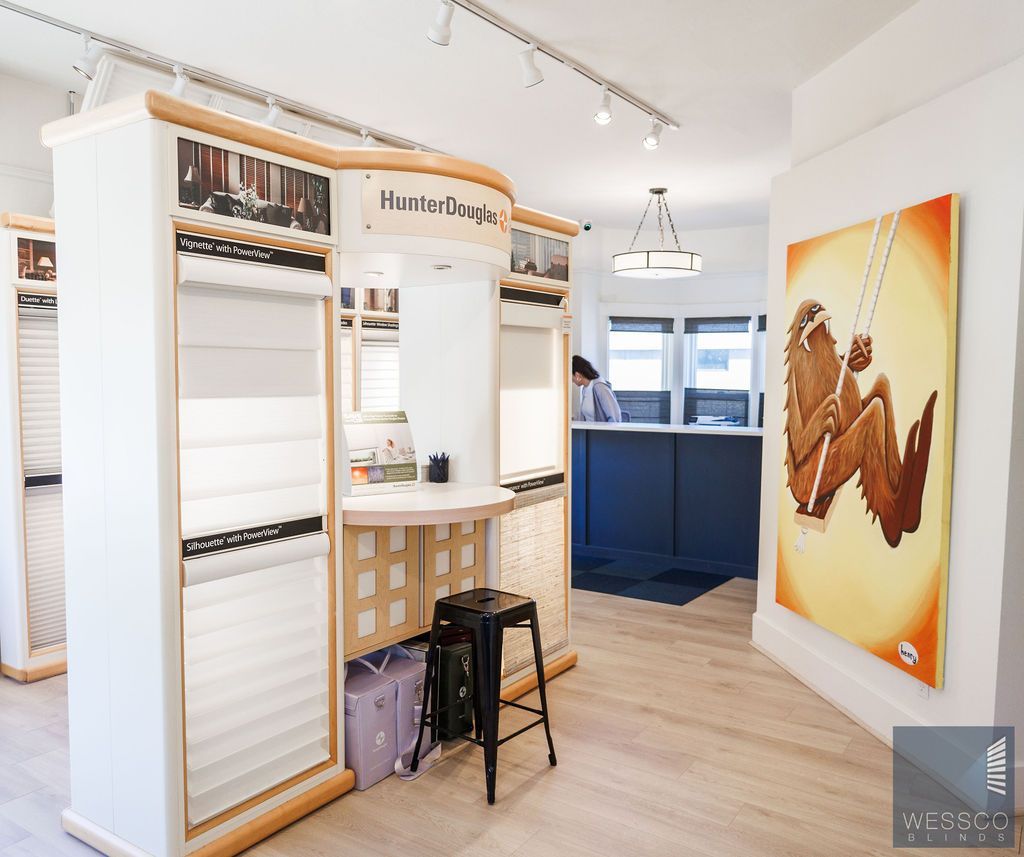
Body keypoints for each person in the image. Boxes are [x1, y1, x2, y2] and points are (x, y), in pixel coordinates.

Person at [572, 355, 622, 422]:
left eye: (571, 376)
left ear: (577, 375)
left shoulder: (600, 387)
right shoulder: (585, 388)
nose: (571, 380)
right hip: (589, 431)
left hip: (600, 432)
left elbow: (615, 417)